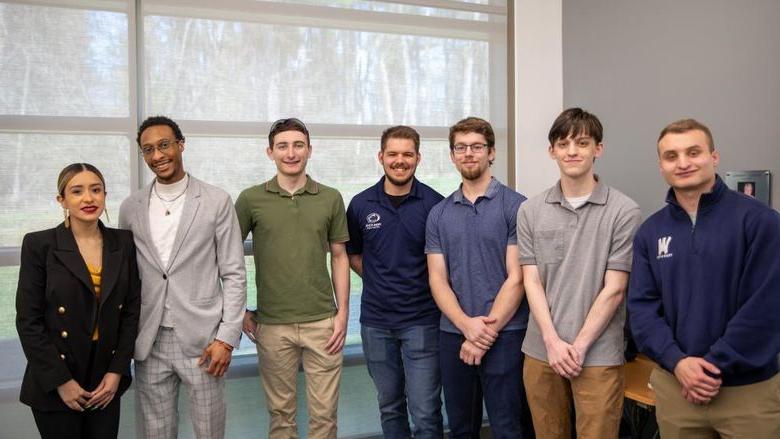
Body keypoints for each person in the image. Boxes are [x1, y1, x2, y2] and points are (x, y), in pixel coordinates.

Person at [628, 118, 780, 438]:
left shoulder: (761, 222)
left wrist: (710, 367)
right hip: (676, 389)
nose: (683, 163)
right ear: (661, 166)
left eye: (693, 152)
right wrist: (679, 364)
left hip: (747, 392)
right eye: (671, 156)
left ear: (714, 157)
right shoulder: (650, 232)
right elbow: (642, 312)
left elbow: (765, 309)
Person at [119, 116, 246, 439]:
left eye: (164, 145)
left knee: (209, 431)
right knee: (155, 433)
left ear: (181, 144)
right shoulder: (130, 207)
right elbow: (126, 277)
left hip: (204, 340)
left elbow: (234, 273)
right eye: (148, 150)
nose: (157, 155)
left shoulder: (216, 200)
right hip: (149, 339)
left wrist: (226, 339)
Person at [517, 108, 641, 438]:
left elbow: (615, 288)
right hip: (541, 351)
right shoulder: (530, 210)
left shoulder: (624, 210)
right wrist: (552, 342)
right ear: (552, 151)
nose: (572, 151)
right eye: (563, 143)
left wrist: (580, 345)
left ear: (597, 149)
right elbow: (531, 280)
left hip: (598, 353)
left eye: (582, 143)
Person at [236, 118, 350, 439]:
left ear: (309, 150)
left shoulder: (330, 197)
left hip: (323, 324)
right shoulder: (250, 199)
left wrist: (342, 314)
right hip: (271, 326)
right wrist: (241, 310)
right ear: (270, 152)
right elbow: (228, 258)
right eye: (283, 146)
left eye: (298, 145)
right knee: (281, 418)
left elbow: (339, 256)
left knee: (324, 417)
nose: (291, 153)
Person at [16, 163, 141, 439]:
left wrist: (117, 371)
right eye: (77, 191)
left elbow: (131, 312)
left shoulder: (124, 242)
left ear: (105, 195)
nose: (88, 198)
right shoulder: (39, 245)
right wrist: (61, 381)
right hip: (57, 375)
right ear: (62, 200)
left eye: (96, 190)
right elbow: (28, 321)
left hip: (105, 379)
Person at [425, 117, 532, 438]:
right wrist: (466, 326)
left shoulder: (517, 207)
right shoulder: (439, 214)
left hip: (508, 334)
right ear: (452, 155)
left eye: (476, 147)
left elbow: (517, 277)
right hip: (454, 333)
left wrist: (484, 332)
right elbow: (437, 279)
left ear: (492, 153)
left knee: (508, 427)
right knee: (460, 428)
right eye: (461, 148)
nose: (468, 154)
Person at [346, 126, 444, 438]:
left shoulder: (435, 205)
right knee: (389, 406)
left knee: (426, 412)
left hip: (423, 323)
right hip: (376, 324)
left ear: (418, 158)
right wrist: (379, 279)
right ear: (381, 157)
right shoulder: (361, 205)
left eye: (407, 154)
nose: (399, 161)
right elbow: (354, 254)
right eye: (393, 154)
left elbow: (444, 266)